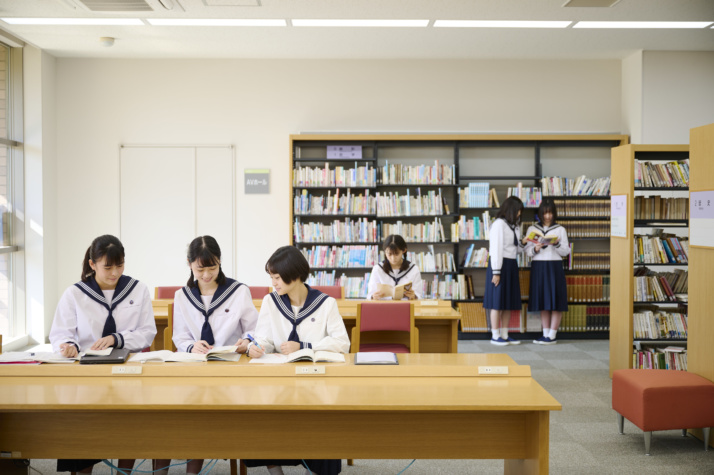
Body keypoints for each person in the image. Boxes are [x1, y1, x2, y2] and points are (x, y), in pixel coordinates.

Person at [50, 234, 156, 474]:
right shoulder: (75, 293)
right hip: (89, 372)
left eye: (120, 265)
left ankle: (123, 471)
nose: (114, 273)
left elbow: (147, 332)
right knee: (83, 425)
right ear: (92, 264)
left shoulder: (137, 289)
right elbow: (61, 333)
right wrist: (68, 345)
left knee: (128, 425)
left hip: (127, 369)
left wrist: (117, 338)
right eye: (108, 267)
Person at [246, 245, 350, 475]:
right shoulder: (270, 301)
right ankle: (276, 471)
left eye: (276, 277)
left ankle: (313, 470)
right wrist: (257, 346)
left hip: (315, 381)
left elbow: (342, 343)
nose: (273, 282)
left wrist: (304, 346)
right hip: (278, 380)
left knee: (320, 426)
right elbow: (264, 336)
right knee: (260, 418)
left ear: (294, 274)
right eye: (271, 277)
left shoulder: (326, 303)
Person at [162, 235, 258, 475]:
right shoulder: (182, 295)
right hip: (195, 368)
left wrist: (247, 340)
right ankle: (185, 467)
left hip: (230, 369)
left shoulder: (238, 291)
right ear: (189, 264)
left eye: (212, 268)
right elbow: (179, 336)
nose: (206, 275)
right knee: (184, 416)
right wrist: (190, 346)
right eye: (200, 269)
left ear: (220, 262)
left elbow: (255, 328)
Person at [524, 198, 570, 345]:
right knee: (542, 299)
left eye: (550, 213)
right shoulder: (532, 229)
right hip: (538, 266)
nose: (548, 216)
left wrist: (556, 244)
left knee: (556, 300)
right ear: (540, 213)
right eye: (545, 213)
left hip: (555, 266)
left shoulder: (560, 229)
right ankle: (545, 334)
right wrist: (535, 248)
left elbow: (566, 252)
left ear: (554, 213)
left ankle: (552, 334)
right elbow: (527, 252)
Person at [484, 196, 525, 346]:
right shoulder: (499, 224)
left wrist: (524, 244)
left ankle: (505, 334)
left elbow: (515, 249)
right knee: (497, 302)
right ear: (510, 210)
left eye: (520, 211)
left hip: (511, 264)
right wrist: (496, 271)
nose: (519, 214)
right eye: (517, 211)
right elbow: (495, 249)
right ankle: (495, 335)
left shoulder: (515, 226)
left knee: (508, 302)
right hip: (499, 265)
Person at [366, 234, 423, 300]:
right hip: (384, 308)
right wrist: (373, 297)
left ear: (404, 250)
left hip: (405, 308)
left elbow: (419, 296)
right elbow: (370, 295)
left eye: (397, 254)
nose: (393, 258)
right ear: (385, 251)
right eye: (389, 254)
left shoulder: (413, 269)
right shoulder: (378, 269)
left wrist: (414, 296)